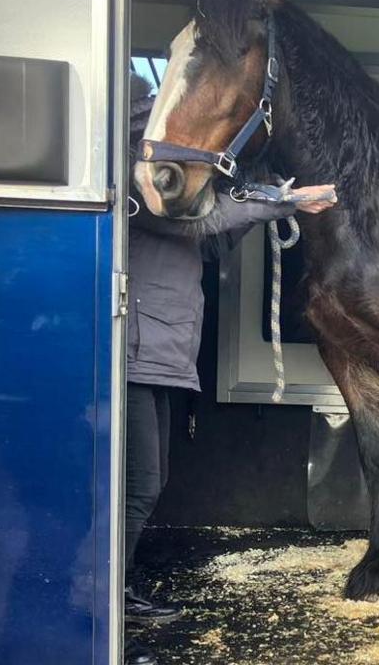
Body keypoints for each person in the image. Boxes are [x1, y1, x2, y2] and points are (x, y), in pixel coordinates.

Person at [122, 74, 337, 665]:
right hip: (140, 353)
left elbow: (210, 243)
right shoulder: (142, 180)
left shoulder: (174, 188)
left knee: (147, 482)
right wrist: (284, 202)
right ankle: (106, 594)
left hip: (164, 353)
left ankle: (114, 586)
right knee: (138, 486)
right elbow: (197, 224)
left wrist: (257, 207)